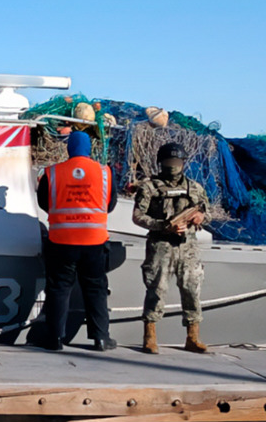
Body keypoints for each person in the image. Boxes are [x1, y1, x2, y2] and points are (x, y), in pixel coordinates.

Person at [36, 130, 118, 350]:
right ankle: (101, 338)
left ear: (68, 148)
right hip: (95, 241)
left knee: (59, 289)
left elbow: (45, 202)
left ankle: (54, 338)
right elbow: (110, 205)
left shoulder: (52, 173)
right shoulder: (104, 173)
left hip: (61, 240)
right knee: (96, 289)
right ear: (89, 149)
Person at [132, 140, 211, 354]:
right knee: (156, 289)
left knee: (192, 289)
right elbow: (138, 216)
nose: (173, 165)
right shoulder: (149, 187)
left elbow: (207, 211)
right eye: (169, 161)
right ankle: (150, 336)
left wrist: (200, 216)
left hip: (188, 247)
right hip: (160, 245)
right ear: (161, 162)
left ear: (184, 163)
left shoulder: (195, 188)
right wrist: (163, 226)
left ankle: (193, 337)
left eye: (176, 161)